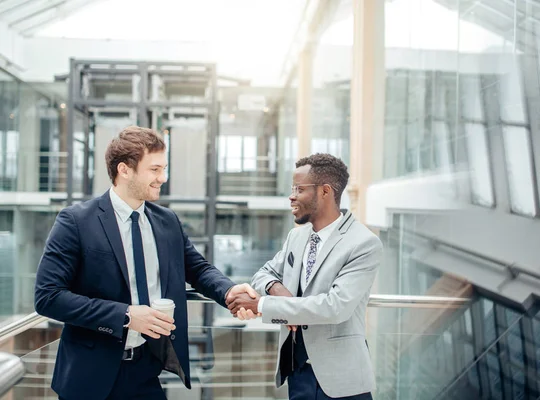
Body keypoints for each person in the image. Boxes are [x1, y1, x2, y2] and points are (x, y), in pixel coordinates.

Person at [35, 126, 256, 400]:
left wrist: (228, 291)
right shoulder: (76, 221)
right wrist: (126, 315)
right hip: (88, 378)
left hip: (146, 370)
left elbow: (197, 269)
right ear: (124, 170)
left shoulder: (167, 221)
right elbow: (48, 296)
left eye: (163, 168)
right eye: (154, 169)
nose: (162, 178)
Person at [227, 153, 383, 399]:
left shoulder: (363, 243)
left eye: (299, 189)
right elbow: (263, 273)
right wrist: (278, 290)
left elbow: (335, 307)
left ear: (325, 191)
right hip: (297, 374)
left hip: (341, 380)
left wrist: (263, 304)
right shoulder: (297, 236)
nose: (291, 196)